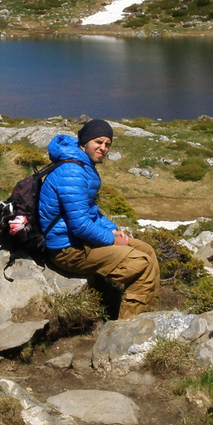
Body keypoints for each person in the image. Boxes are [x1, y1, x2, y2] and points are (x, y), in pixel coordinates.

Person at [38, 119, 160, 319]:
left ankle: (146, 315)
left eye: (108, 144)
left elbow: (90, 210)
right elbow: (79, 225)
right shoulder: (72, 172)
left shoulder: (81, 164)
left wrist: (111, 229)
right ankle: (129, 331)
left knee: (147, 250)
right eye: (98, 142)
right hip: (67, 250)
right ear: (85, 142)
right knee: (142, 264)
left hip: (78, 241)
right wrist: (112, 240)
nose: (103, 148)